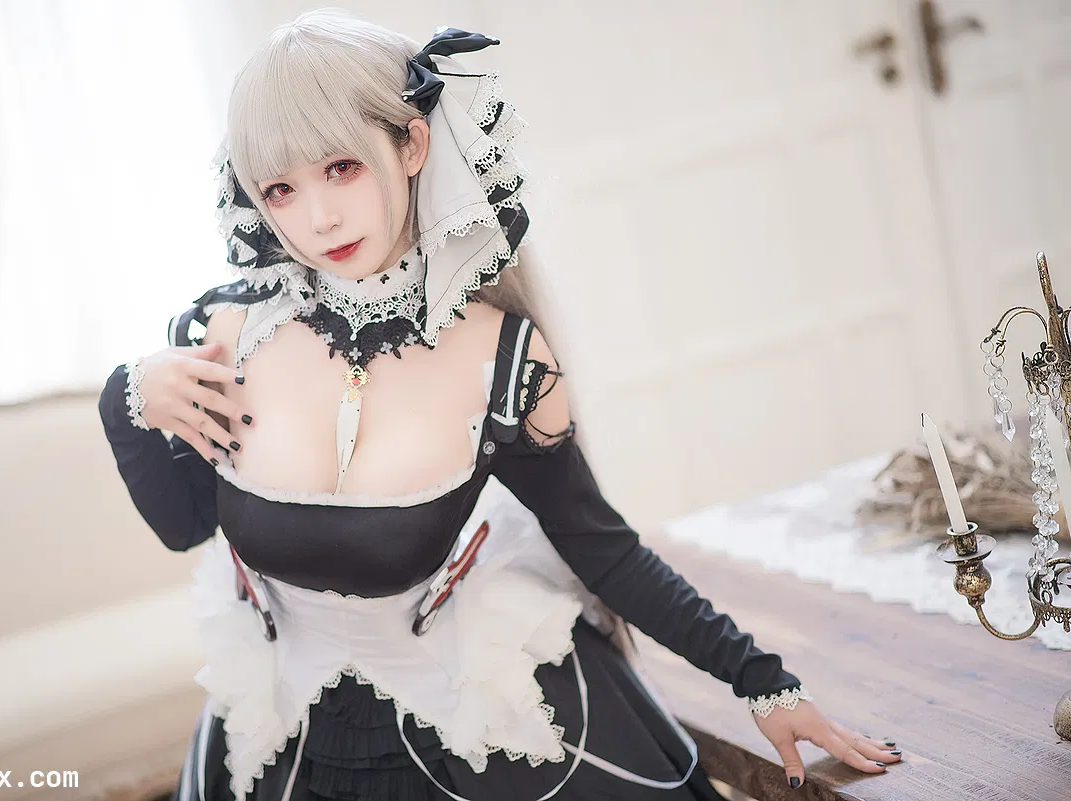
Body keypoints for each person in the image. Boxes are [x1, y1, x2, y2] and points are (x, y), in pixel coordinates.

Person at [98, 9, 902, 800]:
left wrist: (762, 681)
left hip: (461, 717)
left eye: (341, 167)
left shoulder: (504, 360)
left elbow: (603, 549)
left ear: (411, 145)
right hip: (278, 728)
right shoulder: (225, 335)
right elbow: (185, 525)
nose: (319, 217)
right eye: (281, 188)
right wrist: (124, 401)